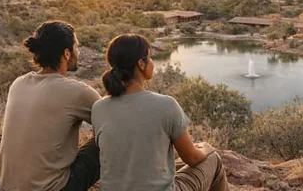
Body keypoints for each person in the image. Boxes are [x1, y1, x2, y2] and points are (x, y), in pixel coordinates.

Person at [92, 34, 228, 191]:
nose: (152, 63)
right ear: (141, 64)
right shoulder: (166, 105)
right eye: (149, 58)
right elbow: (192, 158)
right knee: (213, 160)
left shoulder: (98, 108)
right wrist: (206, 147)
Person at [0, 21, 101, 191]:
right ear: (67, 53)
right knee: (105, 138)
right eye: (77, 46)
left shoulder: (18, 83)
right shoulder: (77, 91)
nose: (79, 51)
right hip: (52, 189)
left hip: (6, 186)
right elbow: (113, 122)